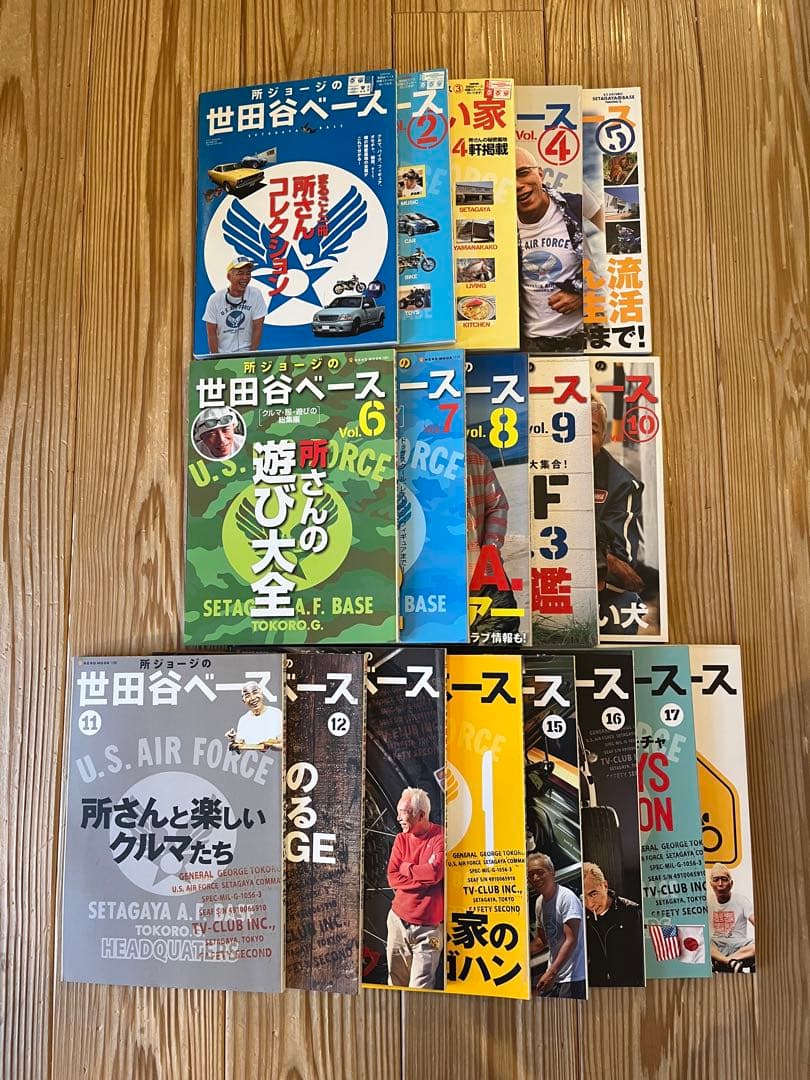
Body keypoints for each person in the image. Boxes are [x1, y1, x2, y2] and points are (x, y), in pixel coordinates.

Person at [516, 146, 603, 353]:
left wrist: (583, 291)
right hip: (530, 345)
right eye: (509, 180)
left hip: (586, 337)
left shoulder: (573, 204)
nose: (518, 185)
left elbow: (617, 239)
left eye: (523, 173)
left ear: (540, 173)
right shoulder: (498, 225)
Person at [591, 397, 645, 635]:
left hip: (605, 590)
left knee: (625, 606)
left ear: (603, 437)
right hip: (552, 583)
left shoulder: (623, 484)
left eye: (592, 430)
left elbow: (624, 564)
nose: (580, 436)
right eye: (571, 428)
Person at [385, 787, 444, 988]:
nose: (398, 818)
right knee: (395, 985)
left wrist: (407, 868)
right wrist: (422, 876)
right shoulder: (401, 839)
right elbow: (393, 877)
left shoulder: (440, 837)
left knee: (420, 991)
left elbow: (435, 873)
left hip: (428, 929)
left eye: (403, 813)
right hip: (397, 922)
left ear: (421, 815)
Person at [527, 853, 586, 998]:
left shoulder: (566, 898)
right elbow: (541, 940)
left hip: (573, 978)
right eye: (531, 875)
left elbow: (571, 940)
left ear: (552, 873)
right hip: (556, 976)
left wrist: (550, 973)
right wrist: (516, 953)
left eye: (540, 872)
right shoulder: (539, 902)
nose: (535, 878)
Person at [582, 862, 644, 986]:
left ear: (605, 885)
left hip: (629, 985)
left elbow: (642, 958)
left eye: (593, 894)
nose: (590, 904)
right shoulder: (581, 916)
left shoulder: (631, 912)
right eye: (583, 898)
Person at [203, 256, 267, 354]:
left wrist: (251, 355)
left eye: (248, 273)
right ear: (229, 277)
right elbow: (211, 334)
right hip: (223, 355)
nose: (245, 278)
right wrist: (216, 358)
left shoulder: (255, 295)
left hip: (247, 353)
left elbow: (258, 328)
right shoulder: (215, 299)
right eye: (240, 273)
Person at [707, 864, 755, 972]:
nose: (720, 884)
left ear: (731, 883)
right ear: (710, 884)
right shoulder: (706, 902)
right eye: (716, 879)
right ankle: (730, 963)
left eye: (724, 879)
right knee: (703, 942)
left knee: (759, 946)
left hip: (739, 947)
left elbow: (758, 923)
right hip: (716, 947)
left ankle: (725, 962)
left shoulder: (741, 900)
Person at [226, 681, 282, 753]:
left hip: (273, 759)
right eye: (247, 696)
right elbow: (239, 749)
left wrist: (270, 746)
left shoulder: (276, 713)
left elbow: (283, 745)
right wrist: (233, 740)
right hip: (251, 759)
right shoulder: (243, 720)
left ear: (261, 693)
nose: (252, 698)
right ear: (244, 701)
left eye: (255, 692)